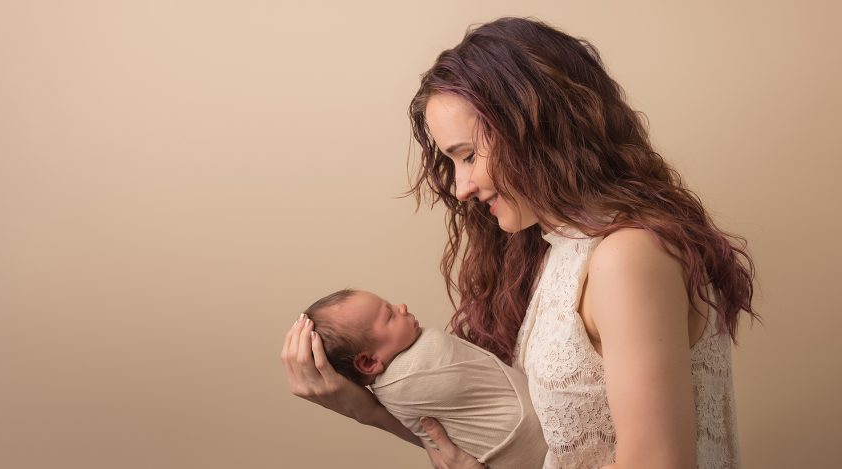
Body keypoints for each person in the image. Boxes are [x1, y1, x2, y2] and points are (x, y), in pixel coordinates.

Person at [281, 16, 759, 469]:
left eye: (467, 156)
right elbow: (537, 443)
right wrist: (366, 410)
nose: (461, 186)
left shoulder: (626, 256)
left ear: (537, 132)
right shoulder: (560, 250)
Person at [299, 288, 548, 469]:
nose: (402, 307)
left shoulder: (394, 387)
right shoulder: (410, 374)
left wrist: (369, 410)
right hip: (530, 448)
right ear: (368, 362)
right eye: (390, 316)